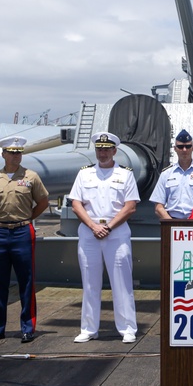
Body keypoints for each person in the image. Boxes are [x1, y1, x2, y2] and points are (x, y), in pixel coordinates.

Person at [68, 132, 139, 344]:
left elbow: (130, 206)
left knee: (122, 282)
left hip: (116, 233)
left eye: (107, 149)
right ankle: (89, 328)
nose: (103, 152)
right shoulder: (84, 174)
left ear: (114, 151)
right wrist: (93, 226)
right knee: (90, 282)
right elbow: (76, 204)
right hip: (90, 233)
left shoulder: (125, 174)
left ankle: (127, 328)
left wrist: (107, 227)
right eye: (99, 149)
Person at [0, 136, 50, 344]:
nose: (15, 156)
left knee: (26, 281)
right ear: (3, 155)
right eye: (11, 152)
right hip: (0, 232)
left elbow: (43, 202)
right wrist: (4, 219)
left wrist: (26, 219)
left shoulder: (31, 177)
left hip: (22, 232)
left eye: (18, 152)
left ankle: (27, 328)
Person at [151, 129, 193, 220]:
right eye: (180, 147)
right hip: (173, 221)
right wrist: (171, 224)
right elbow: (158, 206)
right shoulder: (166, 174)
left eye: (188, 146)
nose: (184, 150)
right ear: (175, 149)